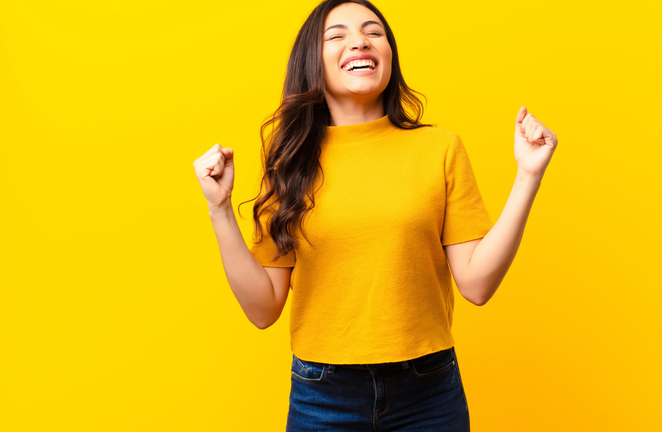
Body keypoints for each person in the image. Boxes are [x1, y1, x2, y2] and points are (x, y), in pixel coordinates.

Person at [192, 0, 558, 430]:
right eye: (337, 35)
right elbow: (263, 309)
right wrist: (219, 209)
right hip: (322, 394)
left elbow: (477, 285)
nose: (360, 41)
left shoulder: (439, 149)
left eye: (373, 32)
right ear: (313, 60)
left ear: (389, 54)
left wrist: (528, 176)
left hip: (428, 391)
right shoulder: (289, 159)